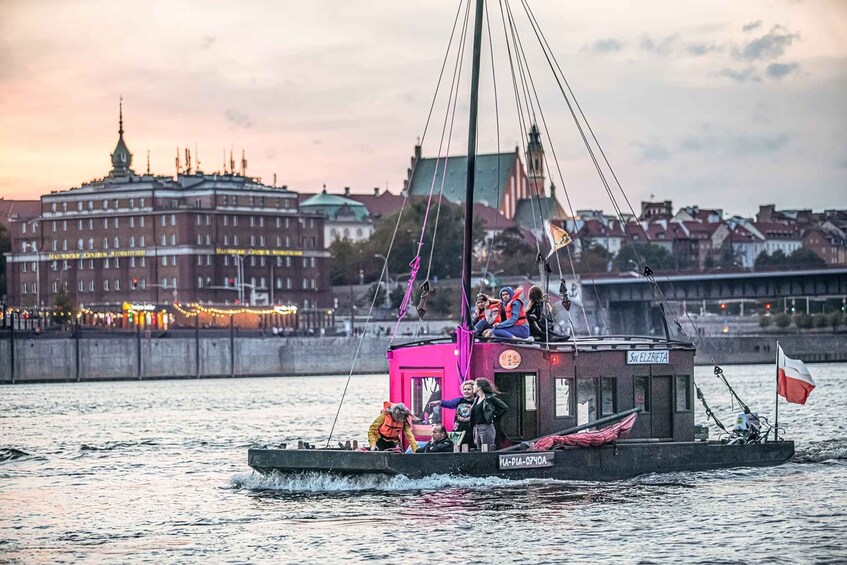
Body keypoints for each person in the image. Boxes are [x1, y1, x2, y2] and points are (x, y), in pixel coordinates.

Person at [431, 380, 475, 450]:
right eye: (464, 389)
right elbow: (450, 404)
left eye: (469, 389)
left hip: (471, 428)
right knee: (457, 445)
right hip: (459, 427)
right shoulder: (459, 400)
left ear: (474, 390)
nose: (466, 391)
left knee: (470, 446)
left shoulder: (476, 401)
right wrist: (439, 402)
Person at [470, 378, 508, 451]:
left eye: (475, 385)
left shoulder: (490, 398)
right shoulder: (476, 399)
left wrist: (494, 416)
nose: (473, 387)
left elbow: (504, 407)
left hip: (486, 427)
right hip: (477, 428)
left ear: (479, 387)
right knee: (479, 449)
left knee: (487, 450)